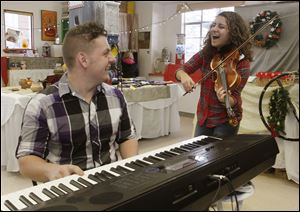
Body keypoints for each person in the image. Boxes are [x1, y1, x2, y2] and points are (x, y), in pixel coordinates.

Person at [16, 22, 138, 183]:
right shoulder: (42, 105)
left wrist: (130, 167)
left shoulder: (116, 96)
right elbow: (26, 161)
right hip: (67, 192)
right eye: (106, 53)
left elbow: (127, 137)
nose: (113, 59)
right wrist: (52, 170)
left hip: (111, 184)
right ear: (83, 59)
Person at [175, 11, 252, 138]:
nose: (214, 29)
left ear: (233, 33)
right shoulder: (206, 53)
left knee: (220, 157)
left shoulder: (241, 62)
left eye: (221, 27)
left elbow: (236, 98)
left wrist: (227, 100)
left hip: (225, 121)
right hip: (203, 117)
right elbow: (181, 69)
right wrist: (183, 75)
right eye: (213, 25)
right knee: (197, 153)